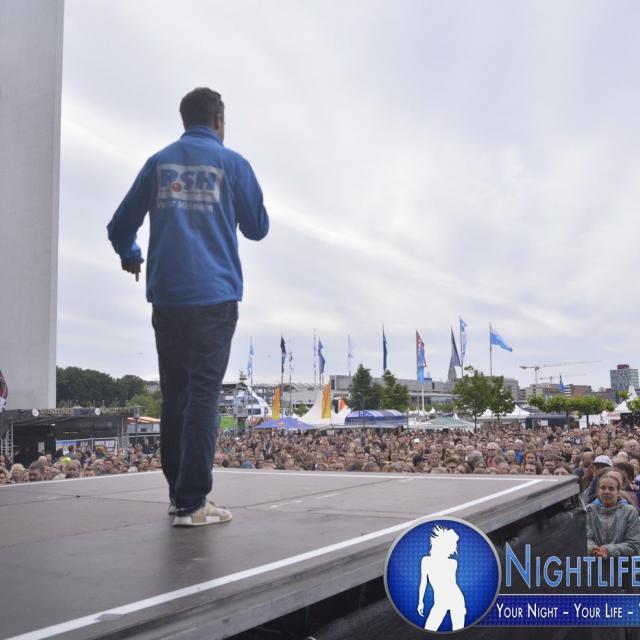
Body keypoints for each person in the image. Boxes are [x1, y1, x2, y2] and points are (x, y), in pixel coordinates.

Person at [107, 88, 269, 527]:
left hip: (168, 295)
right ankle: (193, 502)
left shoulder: (159, 163)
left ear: (185, 120)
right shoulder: (233, 164)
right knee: (203, 395)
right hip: (214, 295)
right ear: (218, 119)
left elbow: (120, 225)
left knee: (175, 394)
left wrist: (131, 254)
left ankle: (179, 494)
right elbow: (257, 228)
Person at [586, 471, 640, 558]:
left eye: (611, 489)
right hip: (594, 563)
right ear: (598, 491)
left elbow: (634, 544)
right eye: (603, 488)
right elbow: (585, 538)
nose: (606, 491)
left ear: (618, 492)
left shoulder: (630, 512)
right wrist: (593, 548)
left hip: (622, 564)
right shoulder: (589, 510)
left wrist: (608, 550)